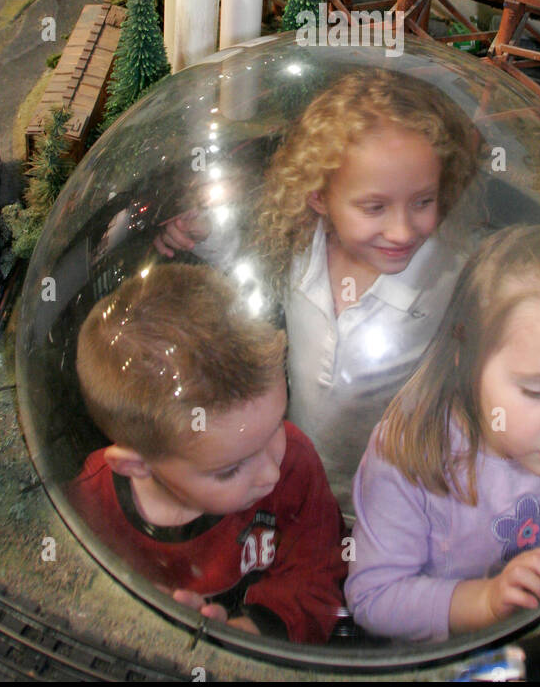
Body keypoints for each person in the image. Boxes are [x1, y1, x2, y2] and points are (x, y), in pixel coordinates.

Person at [345, 222, 540, 641]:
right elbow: (373, 599)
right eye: (537, 391)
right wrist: (486, 602)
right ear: (466, 360)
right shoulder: (405, 455)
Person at [70, 262, 347, 644]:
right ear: (136, 466)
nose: (271, 472)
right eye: (230, 470)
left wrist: (250, 633)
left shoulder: (294, 462)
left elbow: (320, 577)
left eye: (275, 426)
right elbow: (67, 591)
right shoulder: (91, 501)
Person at [258, 70, 479, 514]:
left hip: (388, 501)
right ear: (319, 196)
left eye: (423, 201)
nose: (401, 231)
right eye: (374, 207)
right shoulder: (300, 245)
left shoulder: (450, 275)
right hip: (288, 475)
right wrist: (194, 232)